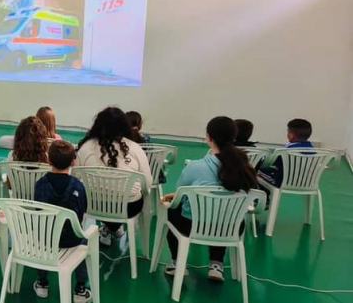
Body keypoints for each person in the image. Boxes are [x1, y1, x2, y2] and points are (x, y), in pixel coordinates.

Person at [162, 116, 257, 282]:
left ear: (209, 137)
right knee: (221, 215)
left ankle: (178, 264)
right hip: (231, 228)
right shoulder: (245, 167)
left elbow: (180, 195)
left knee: (173, 210)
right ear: (233, 137)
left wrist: (170, 199)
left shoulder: (195, 167)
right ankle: (216, 265)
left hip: (192, 226)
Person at [76, 107, 151, 246]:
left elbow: (75, 178)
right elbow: (147, 183)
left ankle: (111, 227)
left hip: (93, 205)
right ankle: (113, 227)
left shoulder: (86, 147)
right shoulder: (134, 147)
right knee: (128, 197)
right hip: (128, 207)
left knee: (101, 197)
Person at [32, 140, 90, 302]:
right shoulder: (78, 186)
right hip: (71, 240)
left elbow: (38, 210)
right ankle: (80, 288)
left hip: (46, 240)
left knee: (40, 239)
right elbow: (82, 213)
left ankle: (42, 283)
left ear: (48, 160)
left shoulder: (40, 185)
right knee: (83, 239)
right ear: (73, 161)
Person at [258, 118, 314, 187]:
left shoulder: (286, 151)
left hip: (283, 181)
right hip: (306, 182)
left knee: (254, 171)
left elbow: (270, 163)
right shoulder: (312, 149)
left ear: (291, 135)